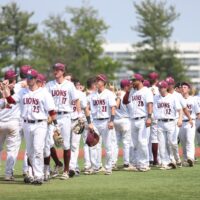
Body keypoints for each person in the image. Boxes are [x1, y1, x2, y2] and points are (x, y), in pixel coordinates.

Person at [2, 68, 57, 185]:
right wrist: (6, 88)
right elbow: (10, 100)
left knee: (38, 150)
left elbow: (52, 111)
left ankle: (39, 176)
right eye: (27, 77)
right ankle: (35, 174)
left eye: (31, 78)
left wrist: (55, 126)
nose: (29, 79)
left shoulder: (44, 93)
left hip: (40, 124)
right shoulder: (23, 92)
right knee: (31, 152)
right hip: (26, 124)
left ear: (36, 79)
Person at [46, 63, 82, 180]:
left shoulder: (69, 85)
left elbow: (76, 100)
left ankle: (66, 170)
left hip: (66, 116)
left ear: (62, 71)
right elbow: (45, 101)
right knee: (49, 143)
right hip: (52, 117)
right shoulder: (49, 85)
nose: (55, 71)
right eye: (54, 69)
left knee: (66, 145)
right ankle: (57, 163)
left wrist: (79, 115)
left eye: (57, 70)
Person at [85, 74, 116, 175]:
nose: (97, 82)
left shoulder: (109, 94)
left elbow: (113, 109)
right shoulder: (91, 95)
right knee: (93, 145)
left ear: (104, 83)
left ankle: (108, 167)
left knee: (108, 146)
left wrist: (111, 121)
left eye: (99, 80)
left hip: (106, 121)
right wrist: (89, 122)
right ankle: (95, 167)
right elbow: (87, 109)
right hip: (95, 122)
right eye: (96, 80)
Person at [123, 73, 153, 172]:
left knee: (143, 142)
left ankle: (145, 164)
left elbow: (149, 104)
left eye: (134, 80)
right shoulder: (132, 91)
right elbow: (125, 101)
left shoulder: (146, 91)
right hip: (133, 119)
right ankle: (137, 163)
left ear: (140, 80)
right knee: (135, 144)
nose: (132, 82)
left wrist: (149, 117)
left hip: (143, 119)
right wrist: (127, 92)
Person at [154, 80, 182, 169]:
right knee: (162, 144)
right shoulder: (156, 98)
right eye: (159, 87)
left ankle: (177, 159)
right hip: (160, 122)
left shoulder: (172, 97)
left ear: (166, 88)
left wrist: (180, 119)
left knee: (172, 143)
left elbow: (180, 110)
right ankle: (165, 163)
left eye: (161, 87)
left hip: (171, 122)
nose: (160, 89)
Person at [0, 70, 21, 181]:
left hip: (0, 122)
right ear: (13, 79)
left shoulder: (1, 89)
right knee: (11, 150)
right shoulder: (18, 89)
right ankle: (8, 174)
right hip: (12, 123)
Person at [179, 82, 200, 167]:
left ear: (188, 89)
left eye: (185, 87)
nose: (183, 88)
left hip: (191, 121)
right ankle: (185, 159)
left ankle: (190, 158)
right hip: (181, 122)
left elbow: (198, 112)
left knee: (190, 141)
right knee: (183, 142)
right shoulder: (178, 99)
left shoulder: (193, 99)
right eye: (182, 87)